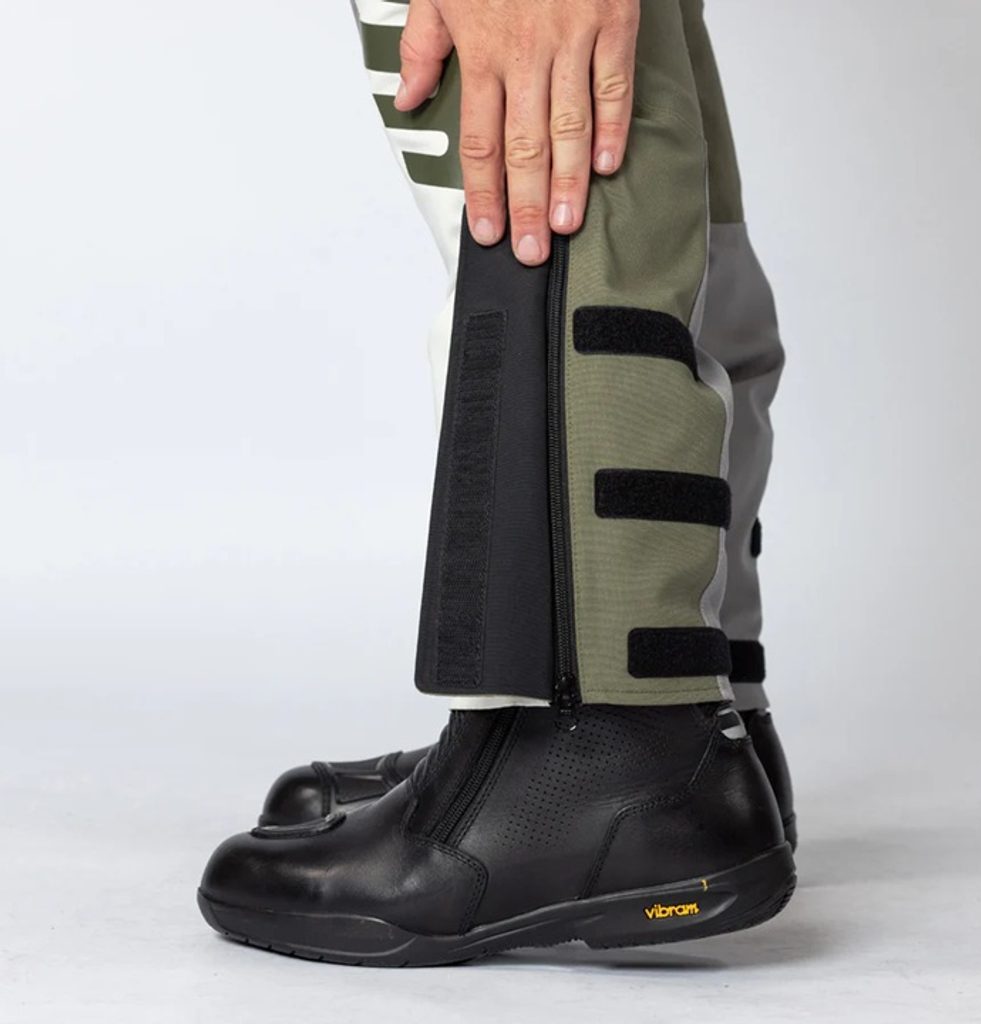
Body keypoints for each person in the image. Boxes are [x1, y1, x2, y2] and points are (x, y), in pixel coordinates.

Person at [197, 0, 793, 966]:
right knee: (633, 75)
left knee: (534, 106)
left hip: (595, 728)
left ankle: (599, 737)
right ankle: (700, 711)